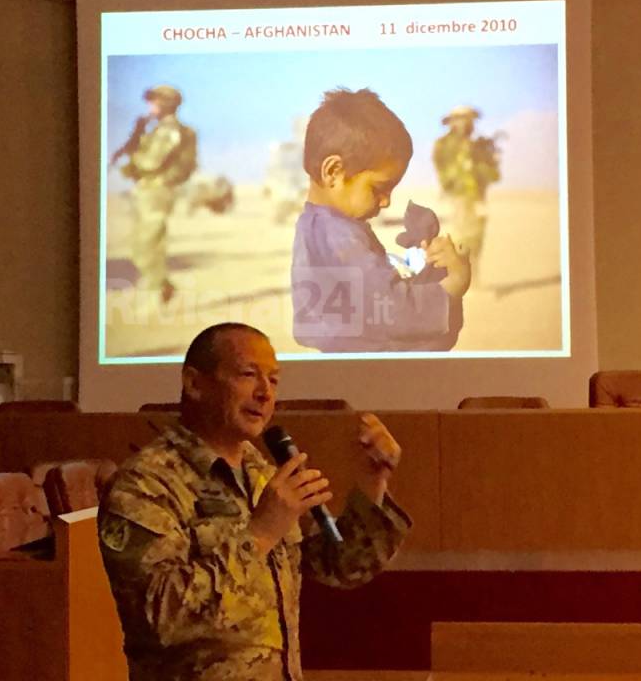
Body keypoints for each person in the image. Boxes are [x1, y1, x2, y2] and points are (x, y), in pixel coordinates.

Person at [98, 322, 410, 681]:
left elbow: (337, 566)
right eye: (248, 375)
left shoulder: (260, 472)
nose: (265, 393)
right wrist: (259, 534)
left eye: (274, 380)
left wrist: (374, 482)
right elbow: (159, 616)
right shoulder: (147, 483)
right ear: (194, 384)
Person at [291, 88, 471, 352]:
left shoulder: (314, 224)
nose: (386, 201)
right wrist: (454, 284)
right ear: (333, 172)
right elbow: (393, 308)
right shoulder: (339, 234)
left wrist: (428, 272)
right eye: (378, 188)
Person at [111, 85, 198, 311]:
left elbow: (151, 162)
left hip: (158, 191)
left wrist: (132, 157)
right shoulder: (158, 128)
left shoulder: (169, 130)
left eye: (154, 102)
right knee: (141, 246)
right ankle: (161, 287)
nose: (149, 107)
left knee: (148, 244)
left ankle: (155, 293)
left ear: (165, 104)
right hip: (149, 190)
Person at [431, 105, 501, 271]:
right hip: (457, 197)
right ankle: (458, 275)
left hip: (477, 198)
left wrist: (483, 164)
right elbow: (441, 170)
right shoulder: (443, 145)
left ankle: (474, 275)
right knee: (461, 235)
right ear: (451, 123)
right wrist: (457, 171)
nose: (464, 123)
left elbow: (493, 175)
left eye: (468, 119)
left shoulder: (480, 145)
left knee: (477, 236)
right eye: (459, 119)